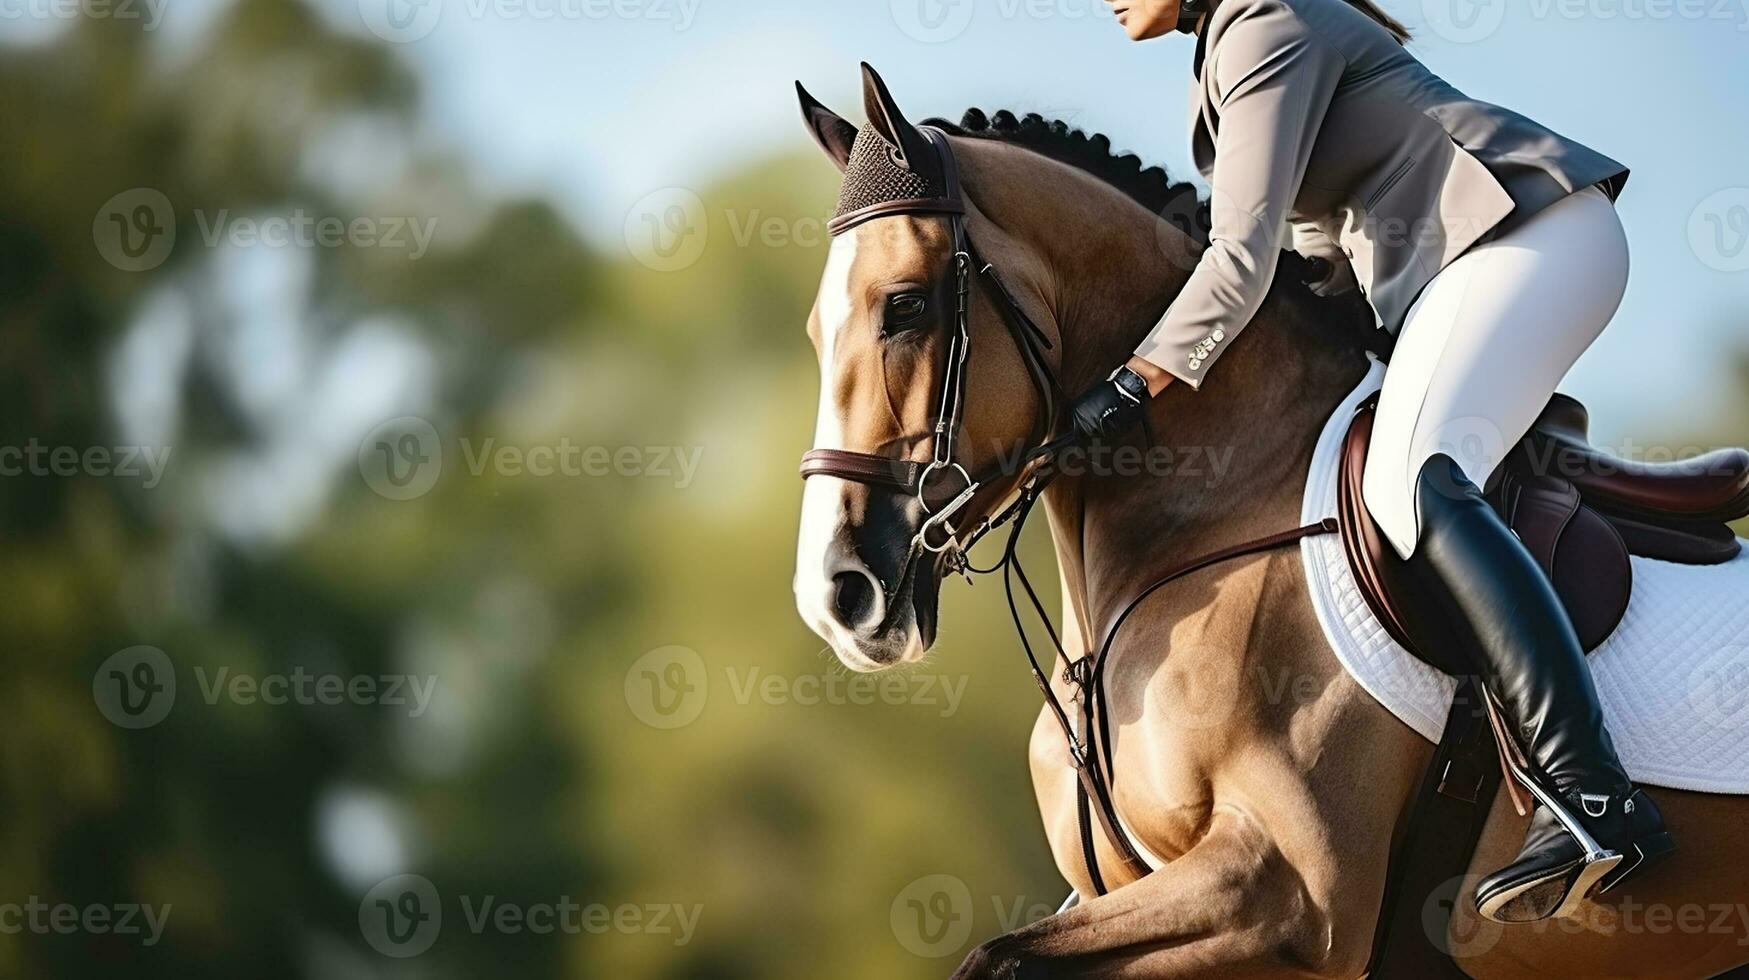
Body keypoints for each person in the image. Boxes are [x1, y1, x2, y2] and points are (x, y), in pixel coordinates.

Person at [1069, 0, 1674, 923]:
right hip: (1466, 268)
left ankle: (1593, 795)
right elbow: (1312, 264)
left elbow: (1240, 260)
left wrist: (1130, 384)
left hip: (1528, 237)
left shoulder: (1260, 23)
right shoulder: (1230, 48)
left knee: (1411, 478)